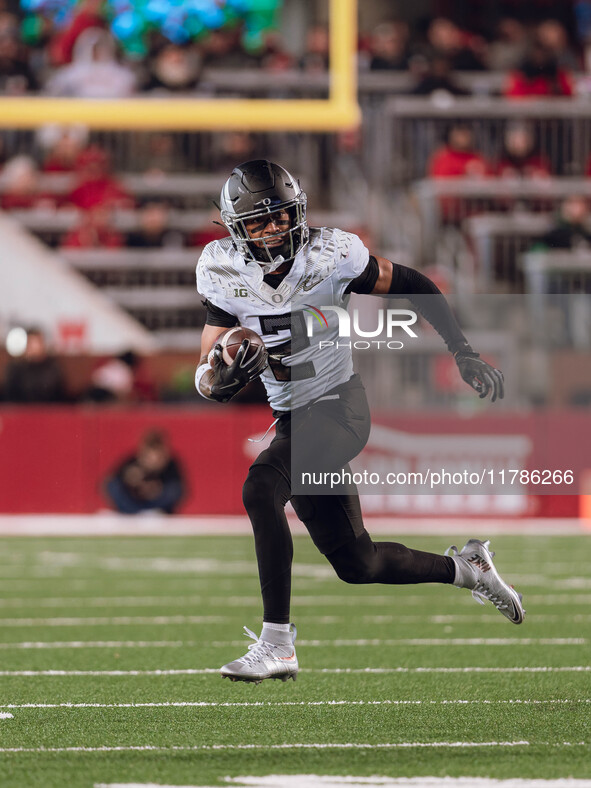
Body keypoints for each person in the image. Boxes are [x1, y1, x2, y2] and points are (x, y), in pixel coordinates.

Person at [195, 160, 523, 685]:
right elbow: (209, 358)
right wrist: (216, 378)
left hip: (339, 407)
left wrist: (462, 351)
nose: (274, 228)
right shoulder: (219, 269)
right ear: (236, 230)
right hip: (291, 418)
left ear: (298, 212)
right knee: (357, 563)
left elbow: (415, 283)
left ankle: (277, 643)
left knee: (261, 488)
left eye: (281, 217)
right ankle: (467, 568)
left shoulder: (332, 254)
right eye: (259, 222)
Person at [104, 429, 185, 514]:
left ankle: (153, 513)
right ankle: (131, 513)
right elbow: (112, 482)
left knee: (175, 489)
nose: (153, 460)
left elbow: (179, 489)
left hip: (158, 506)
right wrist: (131, 480)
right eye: (149, 456)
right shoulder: (132, 462)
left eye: (157, 456)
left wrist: (158, 488)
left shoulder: (171, 464)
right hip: (132, 505)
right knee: (113, 485)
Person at [3, 327, 67, 403]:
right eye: (31, 343)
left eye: (37, 343)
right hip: (20, 411)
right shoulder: (16, 368)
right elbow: (9, 395)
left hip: (48, 411)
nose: (34, 347)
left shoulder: (52, 368)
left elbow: (60, 395)